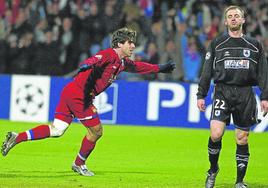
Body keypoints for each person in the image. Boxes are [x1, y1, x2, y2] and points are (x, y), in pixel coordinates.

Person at [1, 27, 175, 176]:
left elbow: (138, 67)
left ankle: (18, 137)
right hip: (80, 95)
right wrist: (86, 65)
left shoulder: (121, 62)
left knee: (57, 130)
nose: (133, 46)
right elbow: (96, 59)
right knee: (97, 131)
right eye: (130, 42)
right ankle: (79, 164)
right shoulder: (108, 54)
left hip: (71, 91)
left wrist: (159, 68)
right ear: (120, 44)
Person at [196, 6, 268, 188]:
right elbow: (206, 70)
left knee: (242, 138)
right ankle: (213, 170)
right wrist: (201, 94)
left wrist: (265, 97)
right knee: (216, 133)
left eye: (237, 16)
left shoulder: (255, 45)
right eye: (230, 16)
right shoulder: (217, 43)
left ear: (243, 20)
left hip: (245, 94)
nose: (234, 19)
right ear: (226, 22)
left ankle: (239, 181)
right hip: (222, 91)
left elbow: (263, 73)